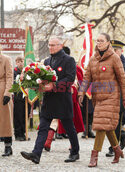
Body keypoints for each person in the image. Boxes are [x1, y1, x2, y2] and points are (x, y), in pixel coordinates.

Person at [20, 36, 80, 164]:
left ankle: (75, 152)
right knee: (43, 127)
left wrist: (54, 85)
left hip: (62, 99)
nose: (50, 47)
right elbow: (43, 77)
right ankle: (36, 154)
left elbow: (70, 79)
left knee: (69, 128)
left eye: (53, 45)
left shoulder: (69, 60)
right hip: (49, 100)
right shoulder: (47, 61)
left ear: (60, 46)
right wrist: (38, 84)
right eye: (49, 45)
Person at [78, 33, 125, 167]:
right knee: (106, 125)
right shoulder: (93, 59)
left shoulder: (114, 58)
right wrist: (81, 92)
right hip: (97, 97)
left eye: (101, 41)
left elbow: (123, 79)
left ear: (108, 43)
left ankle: (94, 156)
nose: (99, 43)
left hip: (111, 96)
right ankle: (117, 149)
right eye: (97, 41)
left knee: (100, 125)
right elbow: (87, 77)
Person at [106, 40, 125, 157]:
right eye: (111, 50)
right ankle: (122, 135)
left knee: (116, 123)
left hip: (120, 98)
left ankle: (114, 146)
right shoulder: (107, 62)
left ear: (121, 51)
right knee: (108, 122)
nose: (113, 52)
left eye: (115, 50)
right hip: (108, 97)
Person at [13, 56, 31, 141]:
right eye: (19, 61)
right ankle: (18, 134)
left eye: (22, 61)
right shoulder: (15, 71)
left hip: (26, 97)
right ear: (16, 63)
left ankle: (24, 132)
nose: (21, 63)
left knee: (25, 115)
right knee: (18, 116)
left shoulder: (27, 71)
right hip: (18, 96)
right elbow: (16, 82)